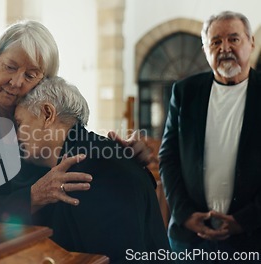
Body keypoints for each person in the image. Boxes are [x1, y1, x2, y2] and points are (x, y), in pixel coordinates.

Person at [0, 20, 151, 225]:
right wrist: (33, 197)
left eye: (30, 75)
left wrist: (123, 154)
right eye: (10, 67)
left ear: (43, 82)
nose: (17, 82)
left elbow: (77, 147)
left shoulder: (45, 121)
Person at [14, 76, 170, 263]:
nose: (16, 136)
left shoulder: (94, 169)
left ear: (48, 114)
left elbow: (114, 258)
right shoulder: (93, 153)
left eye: (19, 124)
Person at [159, 10, 261, 260]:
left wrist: (245, 219)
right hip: (190, 238)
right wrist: (184, 214)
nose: (225, 48)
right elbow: (168, 157)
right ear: (205, 49)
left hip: (252, 237)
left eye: (234, 39)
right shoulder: (185, 92)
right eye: (215, 41)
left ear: (251, 43)